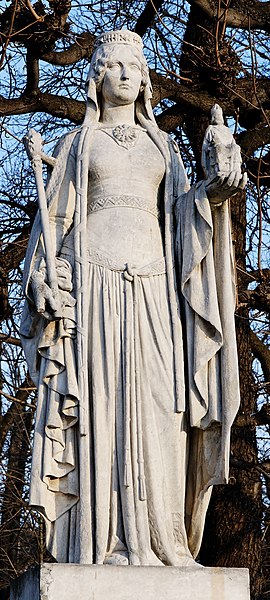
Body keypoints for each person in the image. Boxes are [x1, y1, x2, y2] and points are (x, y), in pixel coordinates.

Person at [20, 29, 246, 566]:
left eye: (132, 65)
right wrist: (47, 283)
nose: (124, 73)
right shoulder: (79, 145)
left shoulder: (163, 147)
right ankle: (103, 543)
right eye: (113, 64)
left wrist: (214, 190)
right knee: (102, 406)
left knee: (160, 409)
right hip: (95, 291)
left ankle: (160, 538)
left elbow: (182, 218)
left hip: (155, 292)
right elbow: (53, 228)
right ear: (96, 78)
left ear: (144, 78)